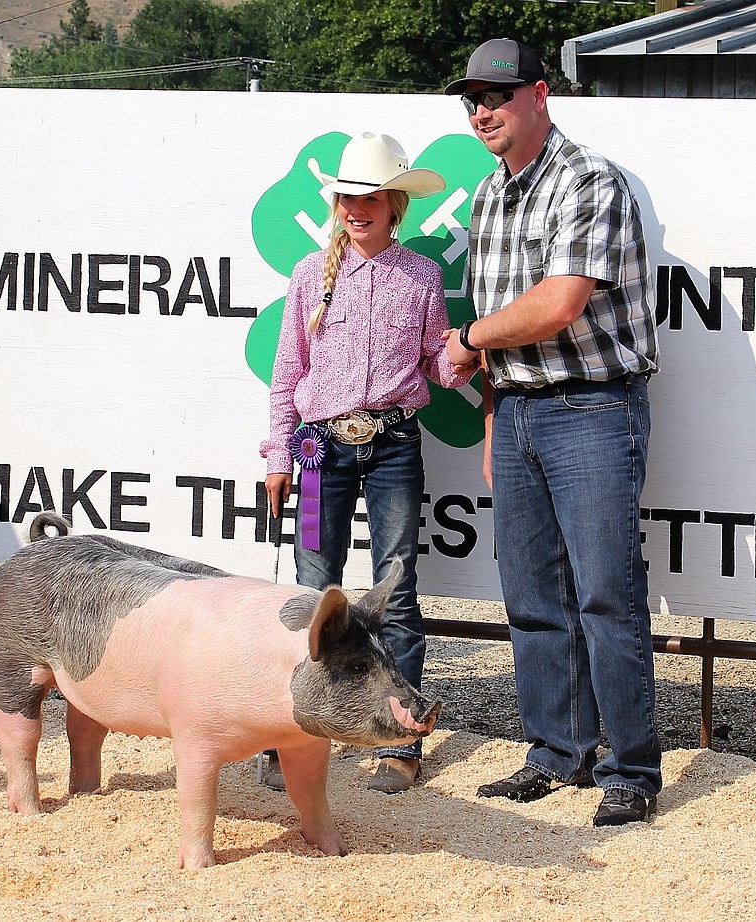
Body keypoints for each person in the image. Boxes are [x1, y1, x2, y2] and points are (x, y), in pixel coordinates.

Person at [442, 38, 662, 826]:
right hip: (525, 411)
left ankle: (631, 768)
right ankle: (557, 752)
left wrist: (467, 341)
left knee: (607, 595)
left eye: (497, 96)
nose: (482, 112)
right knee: (532, 596)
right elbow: (513, 325)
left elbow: (561, 302)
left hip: (594, 407)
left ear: (541, 95)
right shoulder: (487, 195)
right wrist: (498, 415)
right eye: (471, 99)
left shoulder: (589, 181)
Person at [260, 132, 475, 794]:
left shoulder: (421, 276)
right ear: (338, 205)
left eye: (371, 198)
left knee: (397, 585)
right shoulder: (307, 275)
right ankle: (296, 732)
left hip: (392, 445)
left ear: (394, 205)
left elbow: (433, 366)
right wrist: (278, 452)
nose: (358, 209)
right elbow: (289, 368)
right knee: (312, 591)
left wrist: (468, 347)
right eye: (348, 199)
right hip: (320, 448)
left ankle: (399, 737)